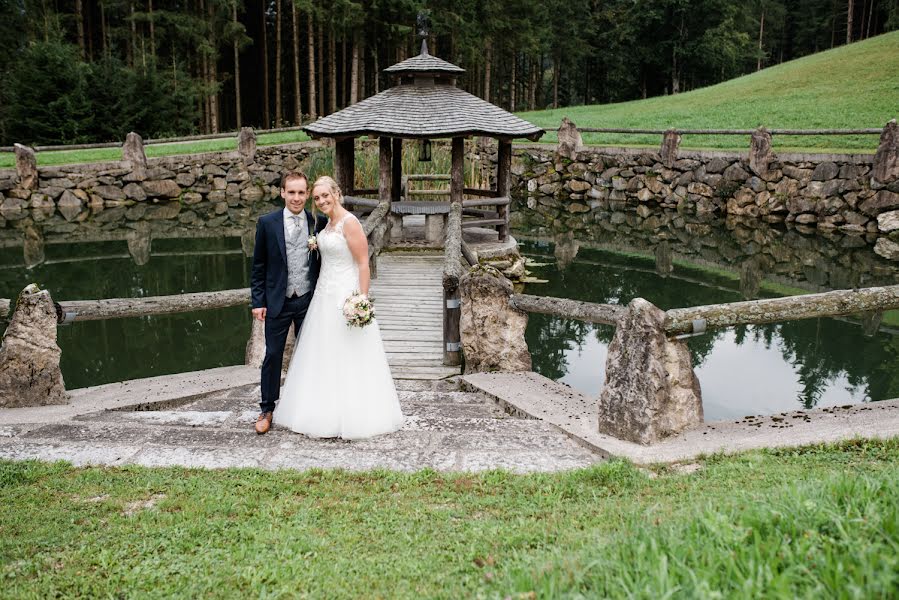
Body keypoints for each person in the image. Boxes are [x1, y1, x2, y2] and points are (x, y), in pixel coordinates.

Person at [273, 175, 404, 439]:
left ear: (337, 194)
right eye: (317, 197)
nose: (321, 201)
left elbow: (363, 263)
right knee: (323, 353)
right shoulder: (325, 225)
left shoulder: (350, 223)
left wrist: (361, 300)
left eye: (325, 196)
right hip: (323, 295)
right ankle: (320, 410)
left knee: (349, 352)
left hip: (345, 294)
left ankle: (353, 414)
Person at [250, 171, 328, 435]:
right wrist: (258, 301)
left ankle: (311, 405)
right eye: (291, 192)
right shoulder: (267, 223)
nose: (296, 198)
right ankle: (267, 408)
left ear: (308, 195)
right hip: (277, 301)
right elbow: (258, 265)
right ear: (282, 192)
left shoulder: (317, 221)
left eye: (301, 193)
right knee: (272, 354)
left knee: (311, 355)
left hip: (308, 300)